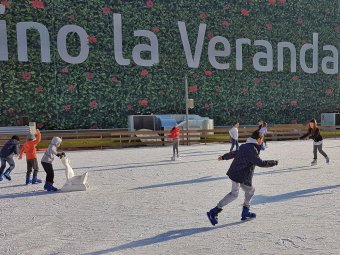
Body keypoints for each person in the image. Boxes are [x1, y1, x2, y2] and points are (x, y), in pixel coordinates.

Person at [207, 130, 278, 225]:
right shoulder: (252, 149)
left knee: (234, 194)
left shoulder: (245, 146)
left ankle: (216, 211)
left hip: (234, 173)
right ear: (259, 139)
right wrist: (273, 162)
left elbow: (234, 153)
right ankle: (244, 211)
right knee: (250, 190)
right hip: (242, 175)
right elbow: (260, 163)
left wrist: (224, 157)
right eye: (262, 139)